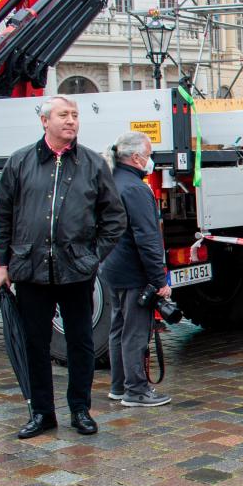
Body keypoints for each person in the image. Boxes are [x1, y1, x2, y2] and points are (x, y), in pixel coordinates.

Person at [0, 95, 127, 439]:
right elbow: (1, 216)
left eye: (75, 115)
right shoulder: (20, 162)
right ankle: (41, 412)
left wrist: (92, 256)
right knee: (35, 343)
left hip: (76, 272)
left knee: (80, 343)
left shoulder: (93, 164)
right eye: (64, 115)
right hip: (30, 271)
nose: (71, 121)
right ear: (44, 121)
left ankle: (80, 409)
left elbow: (114, 218)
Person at [99, 131, 172, 408]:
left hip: (113, 268)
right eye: (149, 154)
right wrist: (159, 279)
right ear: (137, 157)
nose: (151, 160)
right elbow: (147, 238)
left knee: (118, 328)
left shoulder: (112, 182)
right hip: (133, 271)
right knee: (135, 331)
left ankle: (119, 386)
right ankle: (136, 390)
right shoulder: (136, 189)